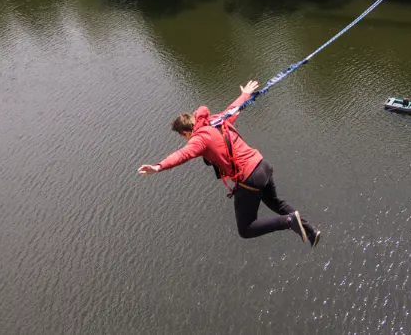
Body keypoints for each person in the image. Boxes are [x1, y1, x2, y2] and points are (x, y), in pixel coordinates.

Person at [137, 80, 321, 247]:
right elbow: (236, 107)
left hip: (248, 178)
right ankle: (311, 231)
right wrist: (245, 94)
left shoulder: (199, 139)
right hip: (262, 166)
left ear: (185, 133)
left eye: (183, 136)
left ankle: (288, 222)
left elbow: (182, 154)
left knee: (246, 229)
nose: (185, 140)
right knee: (276, 203)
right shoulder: (217, 120)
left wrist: (159, 166)